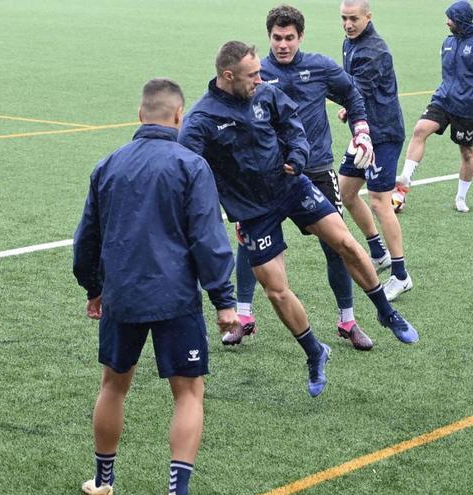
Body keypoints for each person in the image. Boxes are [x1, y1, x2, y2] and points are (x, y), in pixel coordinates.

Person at [179, 41, 420, 394]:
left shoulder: (265, 95)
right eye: (252, 75)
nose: (261, 79)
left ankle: (385, 311)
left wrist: (298, 153)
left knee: (344, 243)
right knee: (276, 291)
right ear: (227, 76)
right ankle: (314, 352)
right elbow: (186, 169)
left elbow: (293, 126)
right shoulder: (203, 119)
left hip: (291, 186)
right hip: (252, 211)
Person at [73, 78, 239, 495]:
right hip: (175, 297)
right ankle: (176, 491)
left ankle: (104, 482)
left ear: (140, 114)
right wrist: (224, 300)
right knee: (188, 393)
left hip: (122, 296)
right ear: (179, 115)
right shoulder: (191, 165)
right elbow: (207, 238)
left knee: (113, 385)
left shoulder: (108, 164)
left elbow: (86, 240)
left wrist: (94, 288)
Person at [222, 5, 375, 350]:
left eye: (289, 38)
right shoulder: (255, 74)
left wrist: (361, 130)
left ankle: (348, 321)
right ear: (269, 38)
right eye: (277, 38)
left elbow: (352, 93)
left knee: (337, 246)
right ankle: (243, 317)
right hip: (269, 178)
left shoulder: (319, 67)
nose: (283, 45)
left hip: (317, 170)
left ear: (300, 37)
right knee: (250, 244)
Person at [338, 0, 414, 301]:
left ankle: (400, 275)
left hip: (382, 134)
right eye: (344, 18)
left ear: (368, 17)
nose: (348, 24)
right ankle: (378, 253)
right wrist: (349, 110)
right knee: (346, 192)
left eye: (354, 18)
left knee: (381, 201)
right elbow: (354, 91)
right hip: (363, 133)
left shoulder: (374, 50)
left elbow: (357, 90)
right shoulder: (350, 42)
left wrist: (328, 92)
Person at [395, 0, 473, 213]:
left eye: (450, 18)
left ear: (461, 20)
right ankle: (405, 178)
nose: (447, 22)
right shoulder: (448, 43)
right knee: (420, 130)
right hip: (443, 99)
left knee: (467, 153)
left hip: (468, 107)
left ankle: (461, 197)